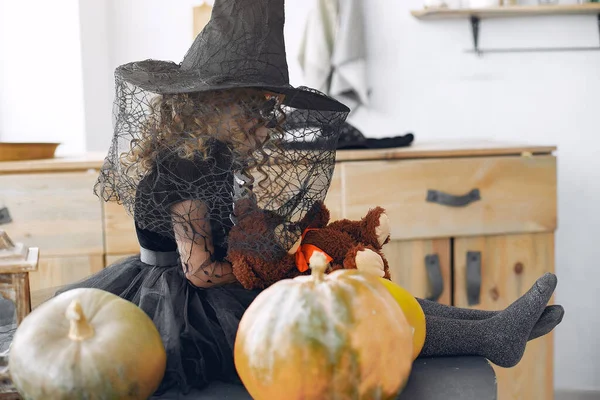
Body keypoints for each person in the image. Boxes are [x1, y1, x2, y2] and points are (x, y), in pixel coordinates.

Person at [53, 0, 563, 395]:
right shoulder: (180, 171)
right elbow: (200, 271)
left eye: (272, 109)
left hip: (217, 286)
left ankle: (491, 325)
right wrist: (274, 265)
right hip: (190, 311)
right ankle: (485, 335)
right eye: (258, 108)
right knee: (346, 321)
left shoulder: (214, 158)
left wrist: (283, 240)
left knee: (356, 292)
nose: (269, 121)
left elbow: (236, 231)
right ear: (212, 106)